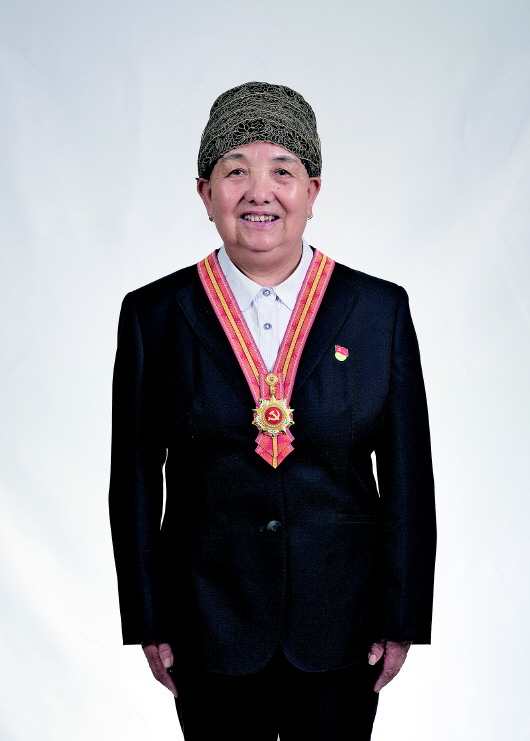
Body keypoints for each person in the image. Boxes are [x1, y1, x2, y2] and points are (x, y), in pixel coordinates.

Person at [109, 81, 436, 741]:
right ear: (205, 194)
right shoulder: (155, 315)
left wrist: (403, 616)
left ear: (312, 192)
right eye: (235, 171)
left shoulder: (377, 310)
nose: (259, 192)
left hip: (343, 624)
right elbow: (135, 480)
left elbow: (408, 475)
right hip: (207, 622)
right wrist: (147, 619)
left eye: (282, 171)